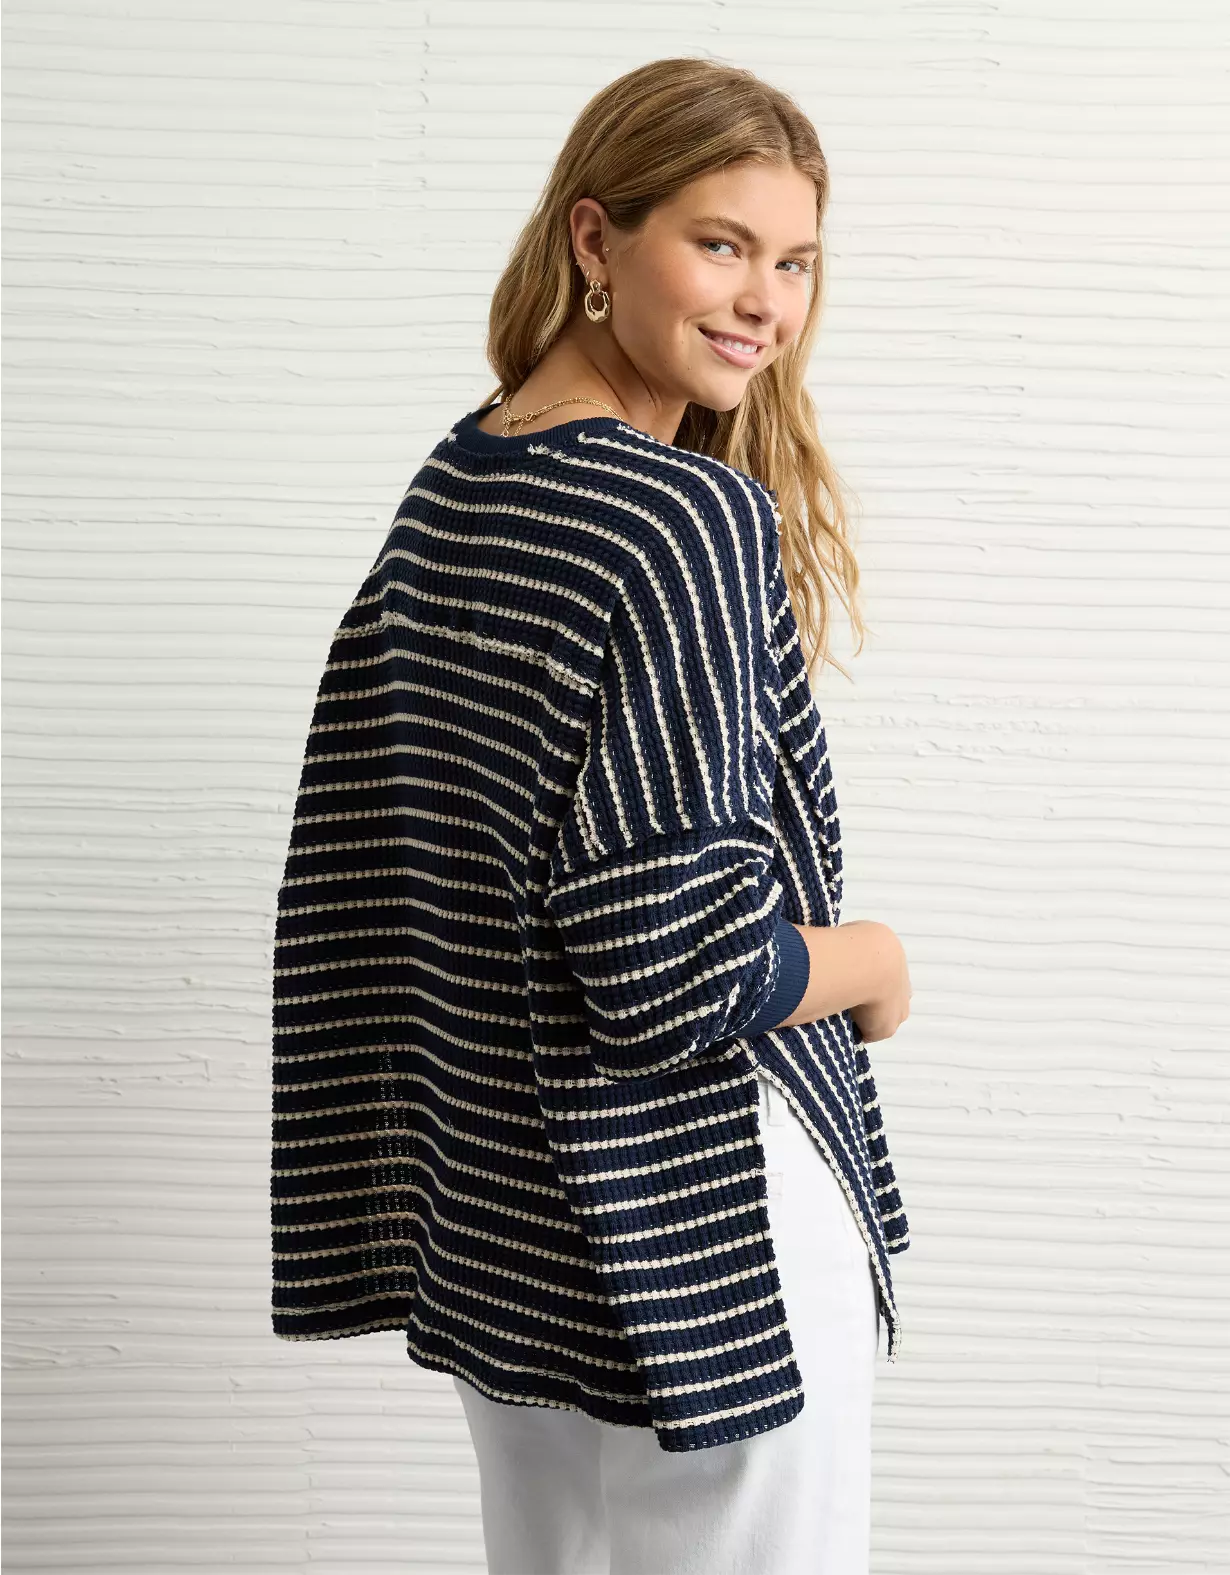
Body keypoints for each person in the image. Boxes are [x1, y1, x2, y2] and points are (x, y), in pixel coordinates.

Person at [271, 55, 911, 1575]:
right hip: (702, 1214)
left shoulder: (457, 483)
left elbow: (376, 882)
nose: (764, 301)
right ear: (593, 237)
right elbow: (675, 967)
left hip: (511, 1226)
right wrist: (871, 959)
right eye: (720, 244)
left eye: (795, 261)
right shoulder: (678, 518)